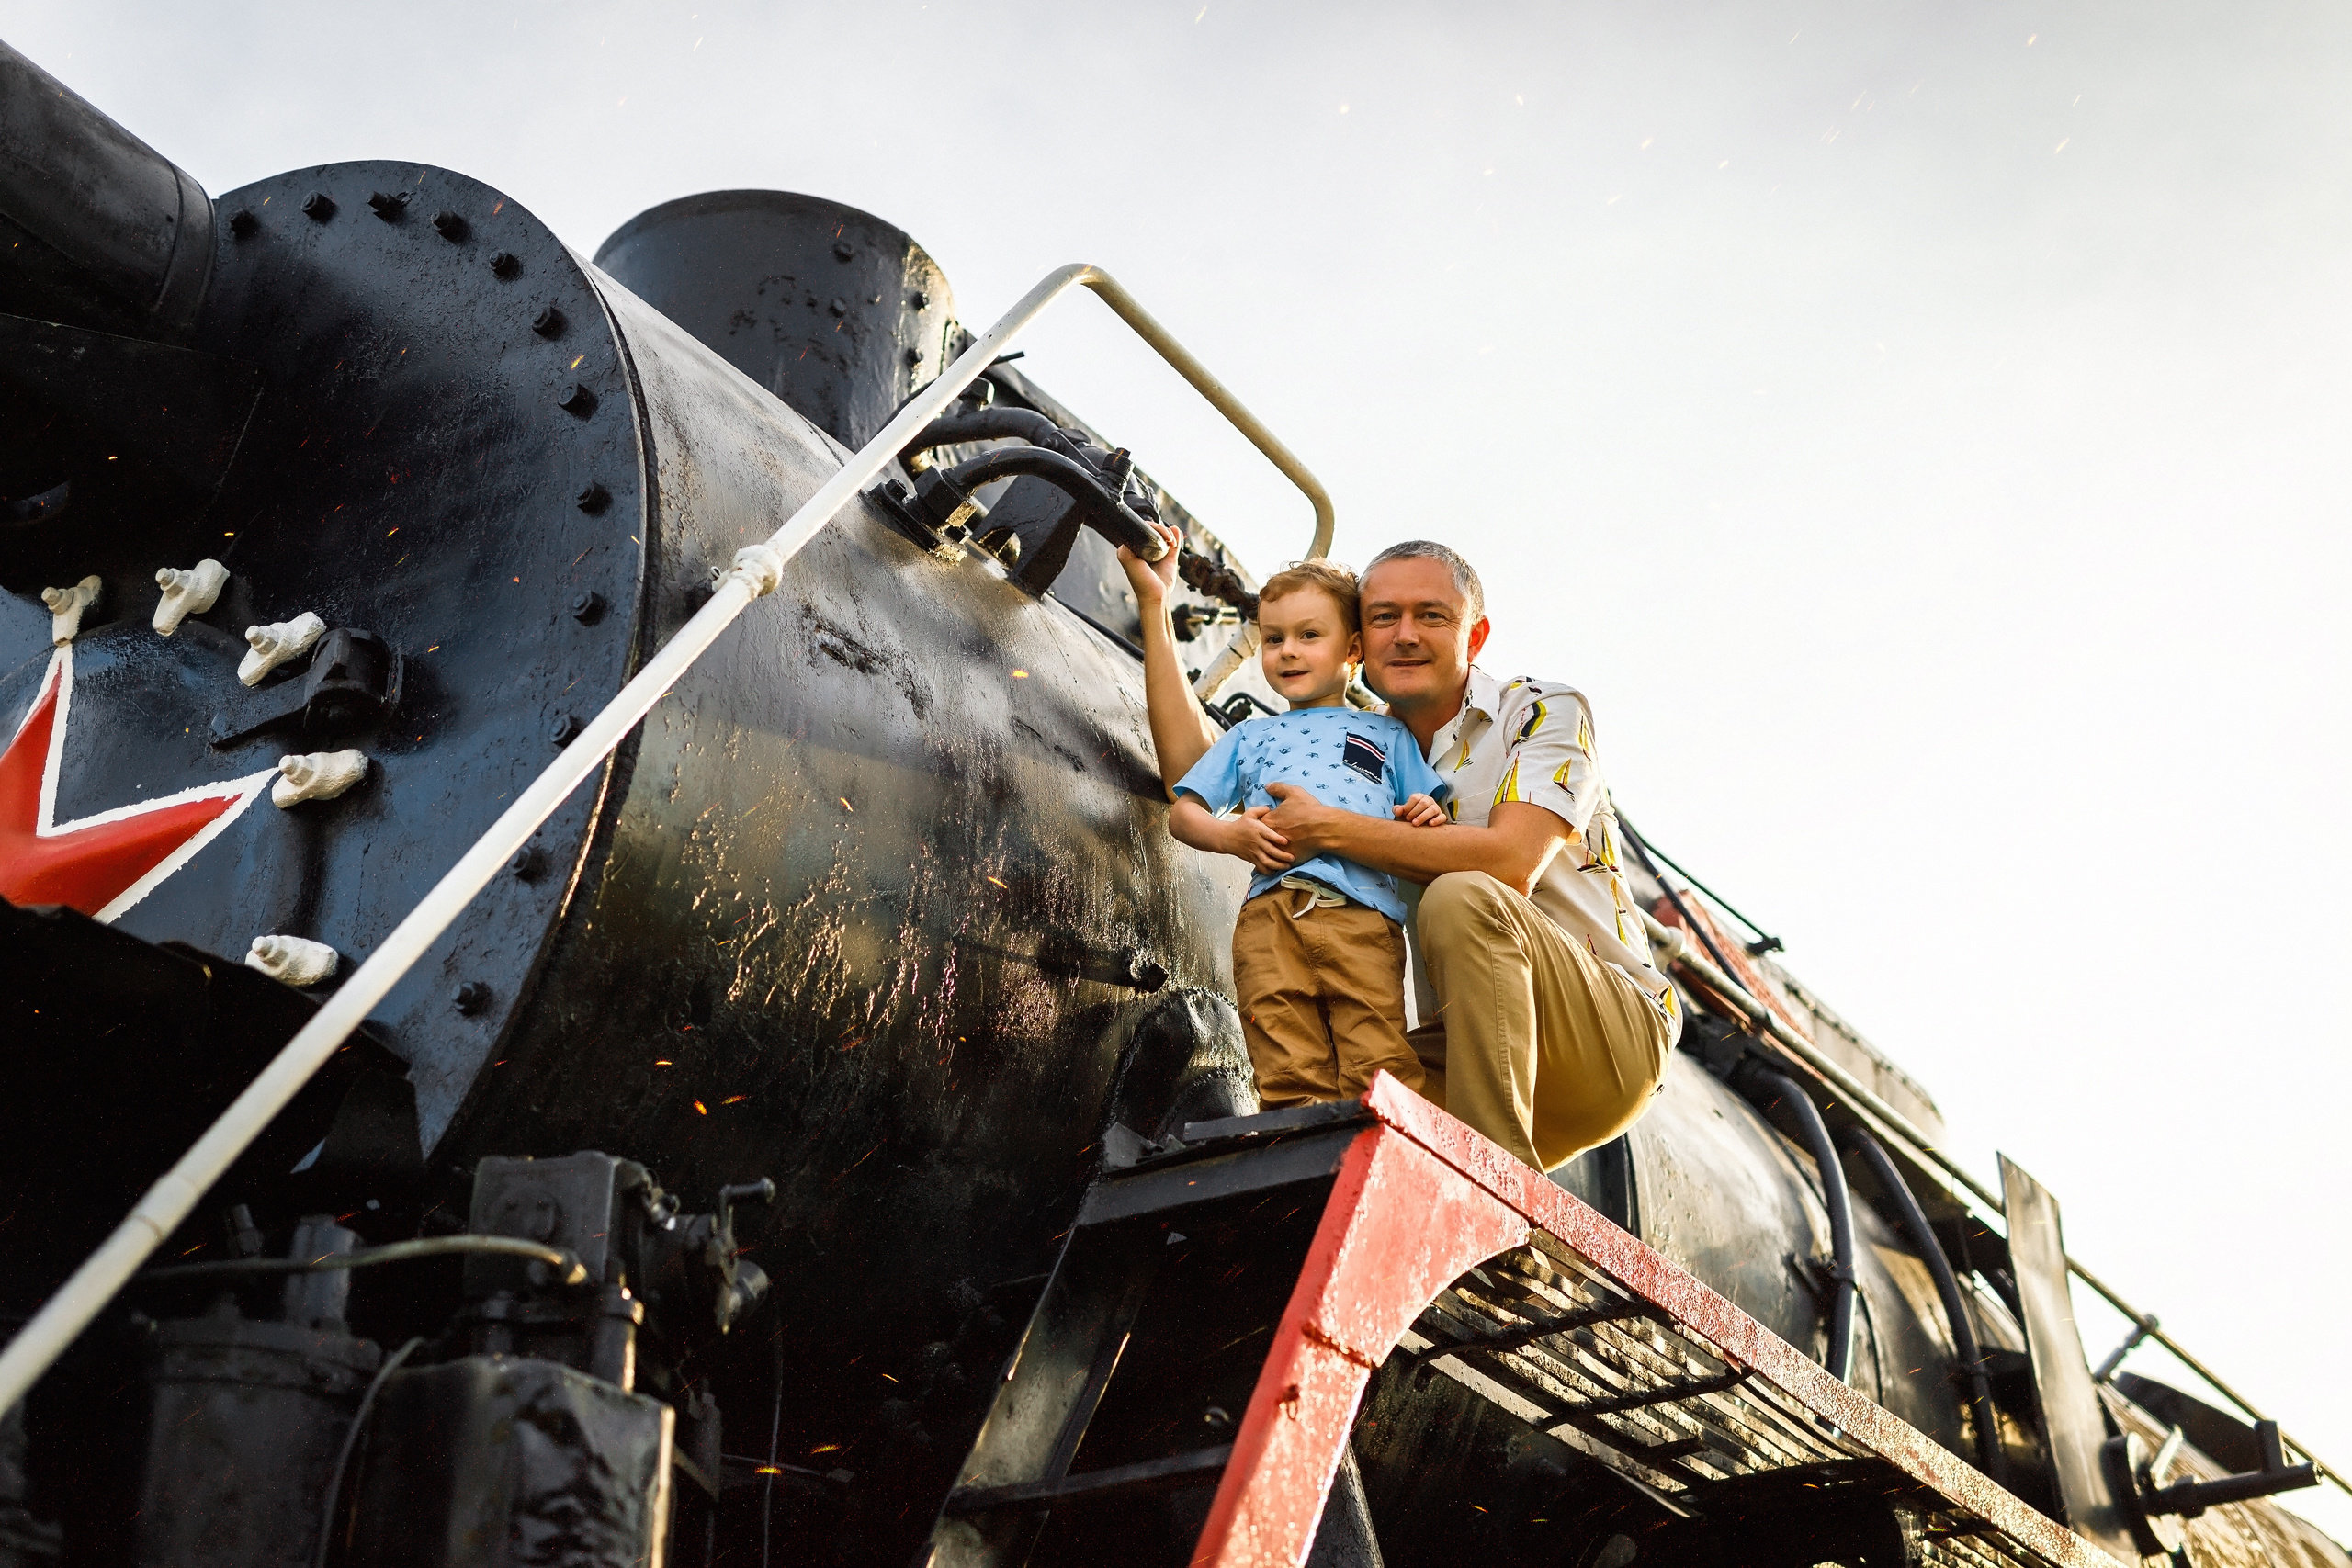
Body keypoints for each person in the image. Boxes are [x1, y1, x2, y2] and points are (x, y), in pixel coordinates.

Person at [1122, 528, 1677, 1171]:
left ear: (1474, 636)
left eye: (1431, 616)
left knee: (1461, 893)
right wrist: (1155, 608)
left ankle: (1495, 1184)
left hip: (1606, 1032)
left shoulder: (1542, 710)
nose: (1405, 634)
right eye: (1384, 617)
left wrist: (1328, 828)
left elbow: (1509, 863)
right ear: (1360, 641)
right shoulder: (1362, 746)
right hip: (1472, 1047)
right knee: (1354, 1113)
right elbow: (1190, 775)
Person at [1163, 558, 1453, 1107]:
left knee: (1378, 1060)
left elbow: (1424, 812)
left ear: (1353, 650)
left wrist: (1425, 813)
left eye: (1309, 635)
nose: (1287, 651)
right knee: (1285, 1058)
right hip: (1270, 916)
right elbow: (1185, 811)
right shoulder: (1250, 736)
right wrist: (1230, 837)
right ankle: (1301, 1167)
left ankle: (1381, 1161)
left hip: (1362, 919)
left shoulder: (1388, 733)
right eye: (1273, 639)